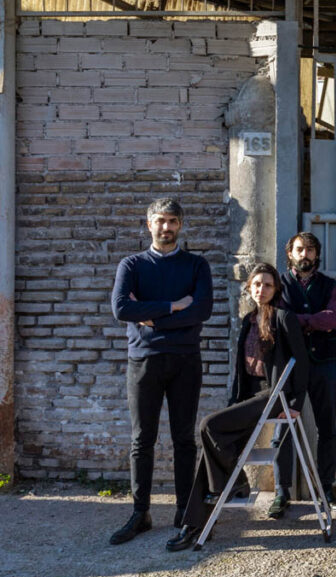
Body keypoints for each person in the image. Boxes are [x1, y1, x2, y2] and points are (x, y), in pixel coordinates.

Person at [166, 263, 309, 551]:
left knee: (208, 426)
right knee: (211, 449)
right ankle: (195, 524)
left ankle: (233, 484)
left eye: (267, 284)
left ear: (275, 289)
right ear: (249, 288)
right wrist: (234, 402)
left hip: (273, 395)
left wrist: (295, 404)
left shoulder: (284, 318)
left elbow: (302, 363)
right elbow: (241, 370)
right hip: (248, 397)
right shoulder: (248, 320)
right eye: (256, 284)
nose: (261, 289)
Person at [109, 198, 213, 545]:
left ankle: (185, 511)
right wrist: (172, 305)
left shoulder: (196, 265)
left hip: (185, 360)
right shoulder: (132, 264)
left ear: (180, 225)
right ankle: (140, 512)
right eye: (159, 221)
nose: (165, 227)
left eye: (172, 221)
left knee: (184, 439)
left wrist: (151, 316)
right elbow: (121, 307)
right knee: (142, 440)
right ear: (148, 223)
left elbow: (202, 310)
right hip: (144, 360)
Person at [269, 232, 336, 518]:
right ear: (290, 253)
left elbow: (331, 319)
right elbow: (275, 318)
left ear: (317, 254)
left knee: (328, 428)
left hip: (324, 363)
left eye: (310, 250)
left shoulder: (330, 286)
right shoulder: (278, 284)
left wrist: (295, 321)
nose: (305, 255)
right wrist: (312, 322)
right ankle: (281, 493)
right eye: (299, 249)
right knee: (283, 428)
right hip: (289, 365)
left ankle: (326, 488)